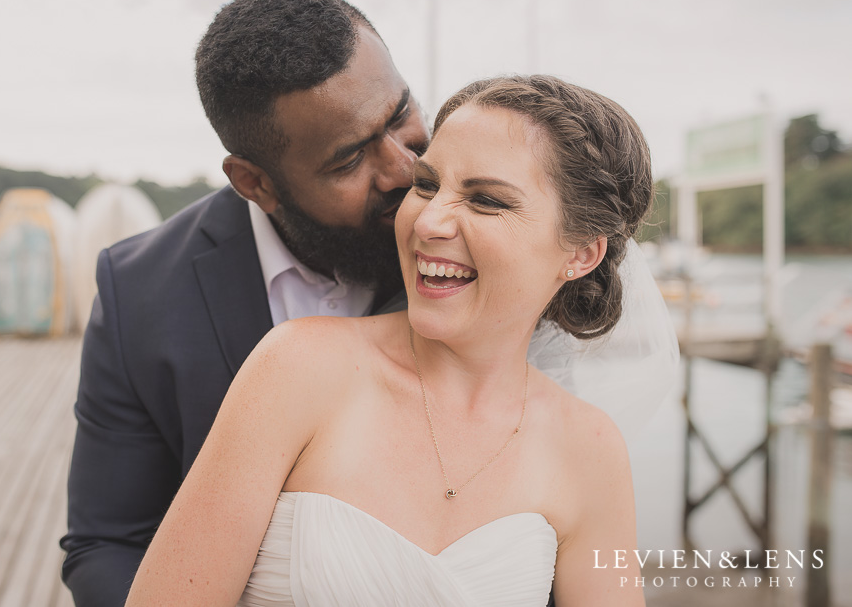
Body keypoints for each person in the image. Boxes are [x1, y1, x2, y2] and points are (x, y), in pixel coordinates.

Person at [125, 74, 651, 606]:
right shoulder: (299, 368)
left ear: (581, 253)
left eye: (487, 200)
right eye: (426, 185)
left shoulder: (591, 450)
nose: (429, 222)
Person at [60, 0, 429, 607]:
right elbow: (108, 542)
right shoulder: (138, 291)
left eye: (400, 115)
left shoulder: (473, 246)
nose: (403, 168)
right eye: (348, 160)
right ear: (255, 182)